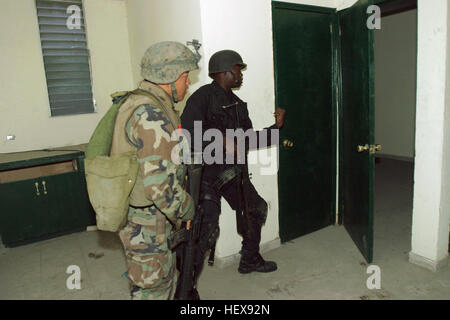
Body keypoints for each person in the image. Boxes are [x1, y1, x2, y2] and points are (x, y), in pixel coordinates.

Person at [180, 50, 286, 286]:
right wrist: (218, 139)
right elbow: (187, 134)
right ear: (225, 72)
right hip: (205, 174)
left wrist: (275, 128)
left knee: (255, 209)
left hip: (231, 174)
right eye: (238, 70)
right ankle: (186, 288)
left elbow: (248, 140)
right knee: (204, 229)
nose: (241, 75)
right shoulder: (202, 98)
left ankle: (249, 259)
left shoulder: (238, 105)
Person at [110, 41, 199, 300]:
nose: (188, 84)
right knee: (155, 289)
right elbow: (161, 190)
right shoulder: (152, 115)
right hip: (147, 223)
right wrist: (187, 210)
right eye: (186, 77)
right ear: (170, 77)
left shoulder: (135, 100)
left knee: (151, 283)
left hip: (139, 216)